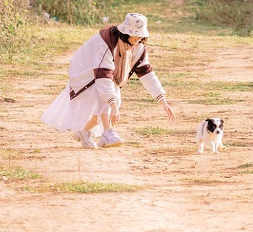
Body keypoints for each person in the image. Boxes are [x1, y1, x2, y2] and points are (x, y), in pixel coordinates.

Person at [41, 12, 175, 148]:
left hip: (105, 74)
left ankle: (84, 130)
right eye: (137, 34)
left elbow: (147, 74)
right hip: (85, 70)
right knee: (107, 98)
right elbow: (103, 76)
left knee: (111, 99)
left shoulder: (138, 47)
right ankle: (107, 132)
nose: (139, 38)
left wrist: (162, 100)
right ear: (126, 33)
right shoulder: (107, 42)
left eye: (142, 35)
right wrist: (113, 105)